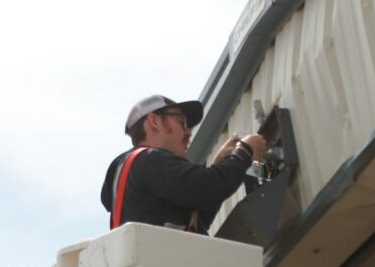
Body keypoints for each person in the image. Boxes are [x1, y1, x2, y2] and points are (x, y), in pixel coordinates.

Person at [101, 94, 267, 233]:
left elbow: (194, 221)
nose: (188, 133)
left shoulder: (134, 172)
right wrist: (245, 151)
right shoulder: (149, 160)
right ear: (154, 122)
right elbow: (208, 188)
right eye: (182, 122)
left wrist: (221, 162)